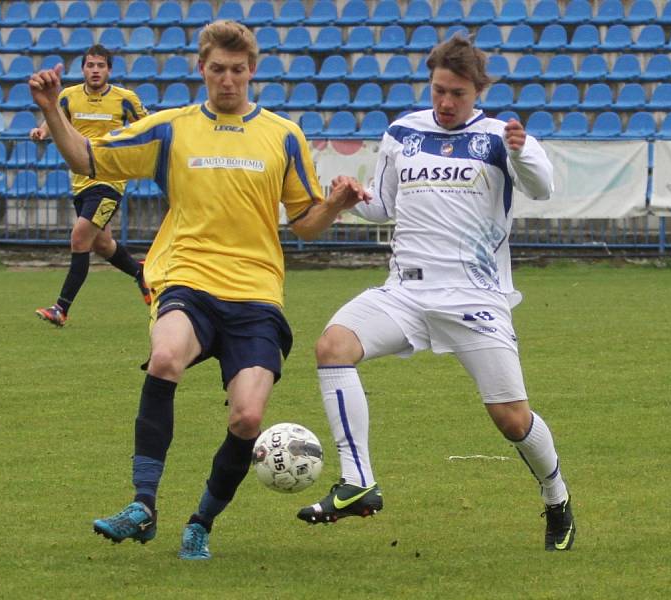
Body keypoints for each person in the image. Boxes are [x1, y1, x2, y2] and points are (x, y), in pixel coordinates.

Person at [29, 21, 367, 560]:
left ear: (252, 71)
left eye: (237, 70)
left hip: (256, 295)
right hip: (188, 280)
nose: (227, 80)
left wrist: (335, 205)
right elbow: (88, 160)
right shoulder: (171, 129)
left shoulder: (282, 134)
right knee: (164, 357)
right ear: (201, 68)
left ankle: (201, 524)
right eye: (217, 70)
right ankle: (142, 506)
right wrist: (52, 110)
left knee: (248, 419)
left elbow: (304, 221)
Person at [296, 35, 576, 552]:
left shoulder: (500, 136)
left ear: (478, 92)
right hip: (405, 292)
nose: (446, 102)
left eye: (458, 94)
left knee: (511, 419)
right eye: (439, 90)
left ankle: (556, 496)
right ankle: (358, 482)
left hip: (473, 298)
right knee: (332, 346)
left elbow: (543, 189)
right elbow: (383, 205)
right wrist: (350, 199)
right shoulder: (402, 131)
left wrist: (523, 152)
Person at [32, 44, 150, 327]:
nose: (95, 70)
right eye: (90, 65)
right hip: (81, 181)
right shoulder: (68, 96)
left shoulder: (125, 99)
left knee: (79, 238)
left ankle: (61, 308)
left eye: (100, 65)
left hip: (110, 182)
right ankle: (141, 273)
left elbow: (148, 127)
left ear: (109, 69)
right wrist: (41, 132)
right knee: (102, 243)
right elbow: (54, 118)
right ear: (83, 69)